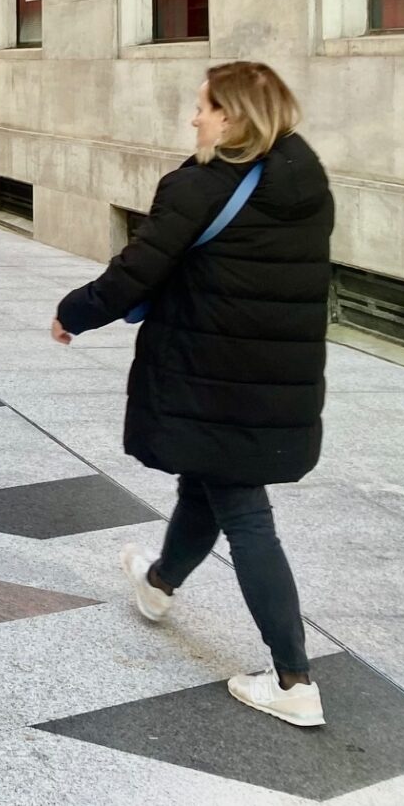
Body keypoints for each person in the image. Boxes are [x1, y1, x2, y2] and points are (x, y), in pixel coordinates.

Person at [52, 62, 332, 728]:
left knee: (244, 512)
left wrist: (74, 311)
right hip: (271, 372)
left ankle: (294, 679)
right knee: (208, 482)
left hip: (213, 372)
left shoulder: (203, 185)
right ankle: (158, 585)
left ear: (232, 118)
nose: (194, 117)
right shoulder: (304, 178)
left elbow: (139, 267)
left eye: (204, 107)